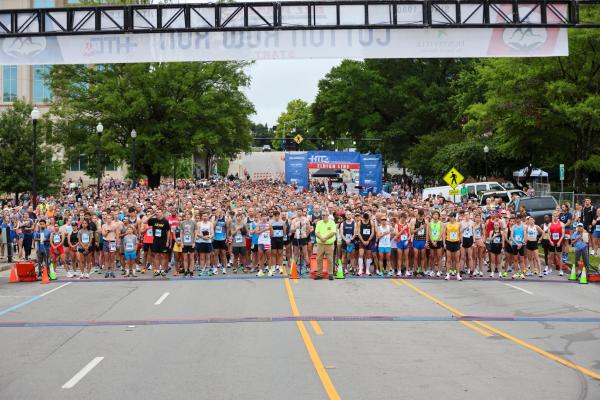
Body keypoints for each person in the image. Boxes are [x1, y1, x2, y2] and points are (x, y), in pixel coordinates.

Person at [314, 209, 336, 280]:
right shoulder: (319, 223)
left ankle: (330, 274)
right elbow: (316, 232)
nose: (324, 216)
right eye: (322, 215)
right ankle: (319, 274)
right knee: (319, 259)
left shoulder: (332, 222)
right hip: (320, 244)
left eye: (325, 215)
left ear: (328, 215)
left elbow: (333, 232)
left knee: (330, 259)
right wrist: (321, 238)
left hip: (329, 244)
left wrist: (325, 238)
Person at [148, 209, 170, 277]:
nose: (157, 213)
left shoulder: (165, 221)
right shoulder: (153, 220)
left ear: (162, 213)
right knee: (156, 255)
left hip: (163, 240)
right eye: (157, 212)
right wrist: (153, 215)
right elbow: (145, 221)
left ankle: (162, 270)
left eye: (159, 212)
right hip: (155, 240)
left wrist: (167, 241)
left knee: (163, 255)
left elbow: (168, 231)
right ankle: (157, 270)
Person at [444, 212, 462, 281]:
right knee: (448, 259)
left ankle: (458, 275)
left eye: (452, 217)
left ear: (454, 217)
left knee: (457, 260)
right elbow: (444, 234)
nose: (450, 218)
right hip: (449, 242)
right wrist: (444, 243)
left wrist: (461, 242)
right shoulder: (446, 224)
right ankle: (448, 274)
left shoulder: (458, 224)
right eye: (450, 217)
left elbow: (460, 233)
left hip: (456, 242)